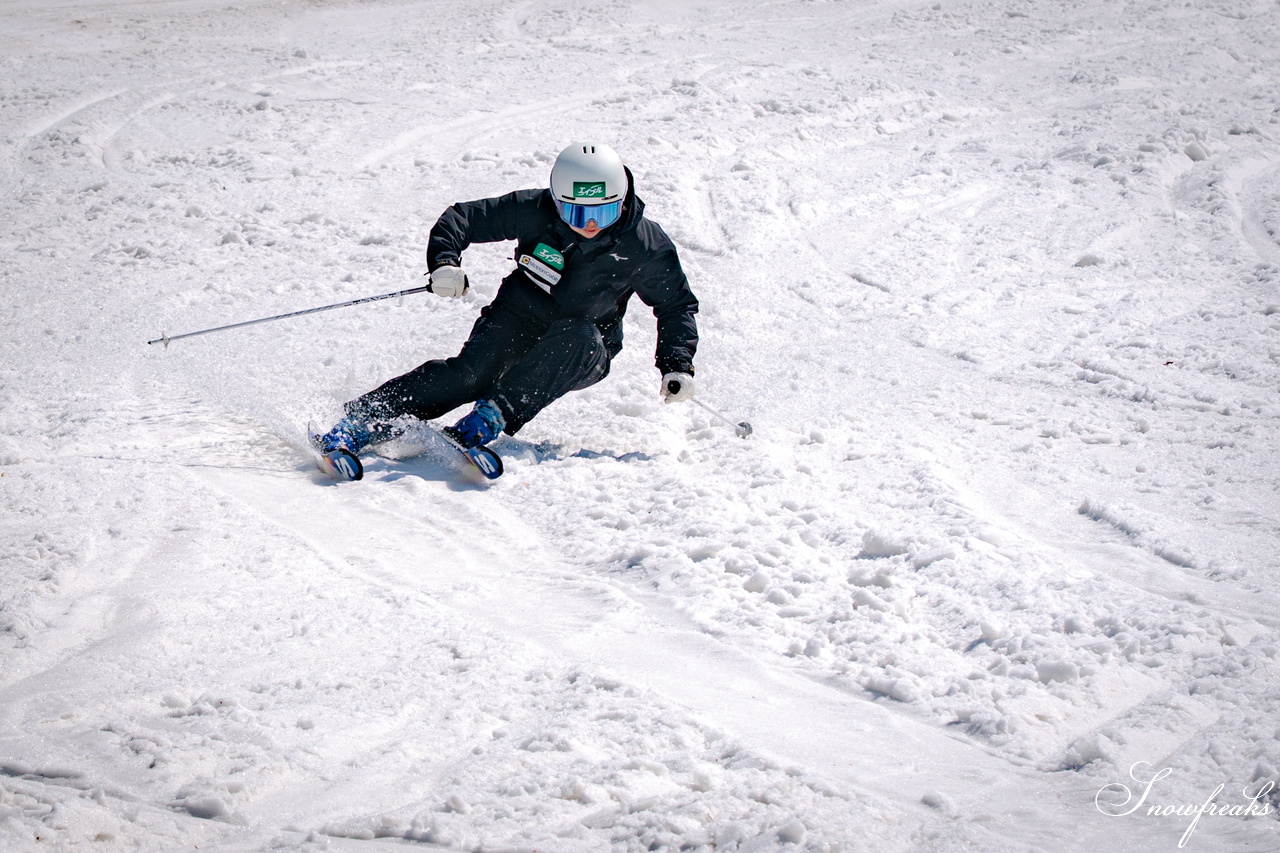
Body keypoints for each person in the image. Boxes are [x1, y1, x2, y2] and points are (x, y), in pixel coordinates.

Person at [315, 143, 699, 461]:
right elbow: (463, 218)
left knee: (578, 335)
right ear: (557, 200)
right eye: (577, 212)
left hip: (586, 347)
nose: (591, 225)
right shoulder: (535, 211)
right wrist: (445, 264)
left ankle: (487, 419)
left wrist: (677, 364)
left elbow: (676, 305)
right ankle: (363, 420)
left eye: (604, 211)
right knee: (469, 375)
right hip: (519, 317)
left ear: (623, 199)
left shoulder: (645, 245)